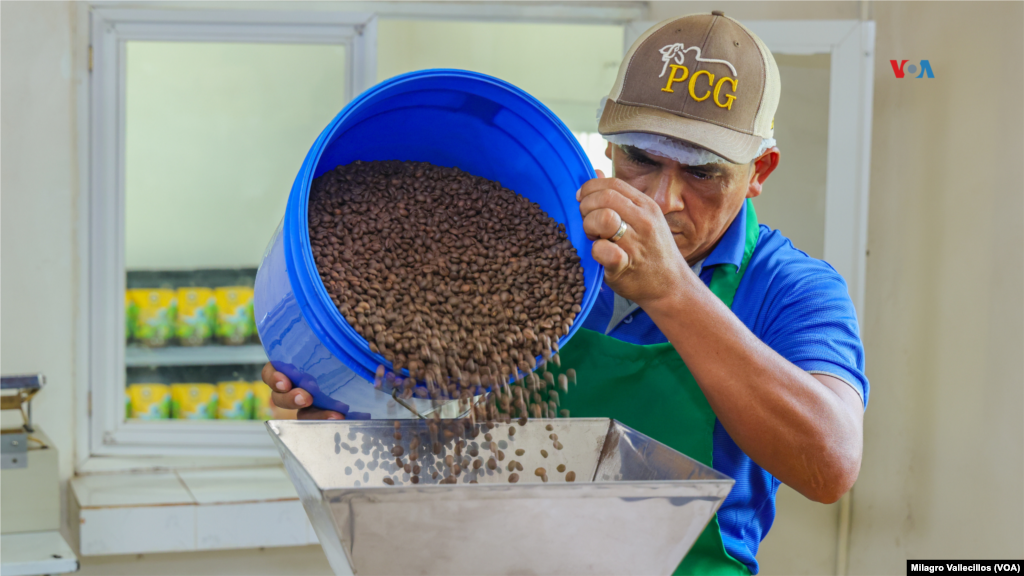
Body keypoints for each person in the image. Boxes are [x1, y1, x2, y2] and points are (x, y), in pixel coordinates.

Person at [261, 11, 867, 576]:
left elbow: (831, 464)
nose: (661, 200)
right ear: (608, 143)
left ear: (759, 172)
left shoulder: (793, 290)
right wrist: (348, 404)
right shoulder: (533, 251)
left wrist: (674, 292)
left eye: (702, 172)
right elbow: (451, 414)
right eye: (640, 159)